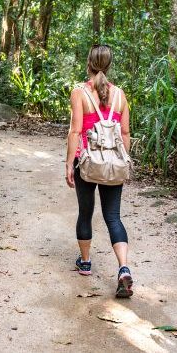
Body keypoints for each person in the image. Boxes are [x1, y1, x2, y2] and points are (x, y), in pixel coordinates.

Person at [64, 44, 133, 298]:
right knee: (113, 216)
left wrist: (69, 163)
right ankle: (123, 268)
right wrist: (123, 161)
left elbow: (75, 131)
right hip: (114, 163)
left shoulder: (80, 92)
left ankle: (85, 262)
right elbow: (125, 133)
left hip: (87, 162)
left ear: (89, 63)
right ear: (109, 64)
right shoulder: (120, 95)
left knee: (86, 211)